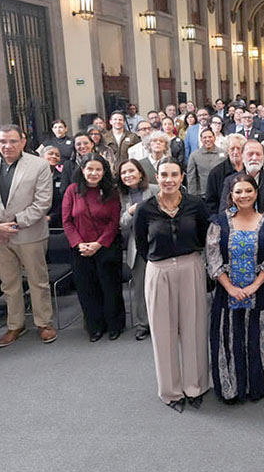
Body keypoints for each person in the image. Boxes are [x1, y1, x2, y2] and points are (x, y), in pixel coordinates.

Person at [135, 158, 211, 411]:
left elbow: (204, 235)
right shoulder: (144, 209)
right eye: (164, 175)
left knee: (194, 327)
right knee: (163, 332)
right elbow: (142, 245)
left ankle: (195, 386)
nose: (169, 180)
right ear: (156, 177)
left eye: (174, 175)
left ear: (182, 177)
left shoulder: (195, 205)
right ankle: (171, 391)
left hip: (191, 267)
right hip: (159, 271)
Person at [205, 173, 264, 403]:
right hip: (227, 294)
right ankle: (233, 386)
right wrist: (230, 287)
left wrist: (254, 285)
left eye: (248, 190)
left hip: (262, 293)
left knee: (259, 336)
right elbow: (212, 257)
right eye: (238, 191)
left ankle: (261, 385)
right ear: (231, 195)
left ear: (256, 192)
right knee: (231, 336)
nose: (244, 195)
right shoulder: (219, 222)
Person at [0, 124, 57, 348]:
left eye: (12, 141)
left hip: (30, 233)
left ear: (23, 141)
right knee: (9, 284)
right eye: (2, 141)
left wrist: (14, 224)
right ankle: (15, 325)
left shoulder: (39, 165)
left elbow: (43, 202)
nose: (7, 146)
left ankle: (44, 323)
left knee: (38, 281)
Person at [63, 154, 124, 342]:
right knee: (87, 290)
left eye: (98, 169)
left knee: (110, 288)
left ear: (104, 171)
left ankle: (115, 325)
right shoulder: (72, 191)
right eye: (90, 169)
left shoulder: (111, 191)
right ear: (82, 170)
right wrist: (79, 243)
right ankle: (95, 327)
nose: (94, 173)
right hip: (80, 248)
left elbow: (114, 221)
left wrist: (99, 244)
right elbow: (67, 221)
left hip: (106, 246)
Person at [118, 159, 157, 340]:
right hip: (137, 246)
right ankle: (143, 323)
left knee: (163, 287)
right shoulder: (120, 196)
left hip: (159, 244)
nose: (128, 175)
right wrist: (131, 211)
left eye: (131, 171)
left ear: (140, 173)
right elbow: (121, 224)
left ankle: (165, 321)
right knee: (140, 287)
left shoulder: (155, 190)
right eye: (124, 173)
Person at [39, 144, 76, 228]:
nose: (54, 156)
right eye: (50, 153)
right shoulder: (32, 176)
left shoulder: (62, 177)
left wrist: (51, 217)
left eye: (57, 155)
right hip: (34, 220)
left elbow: (64, 201)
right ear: (41, 156)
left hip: (56, 222)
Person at [186, 128, 224, 196]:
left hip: (220, 193)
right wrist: (192, 197)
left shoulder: (224, 154)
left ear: (214, 138)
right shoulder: (194, 155)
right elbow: (191, 178)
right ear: (201, 140)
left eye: (210, 137)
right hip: (202, 194)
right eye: (205, 137)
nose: (207, 139)